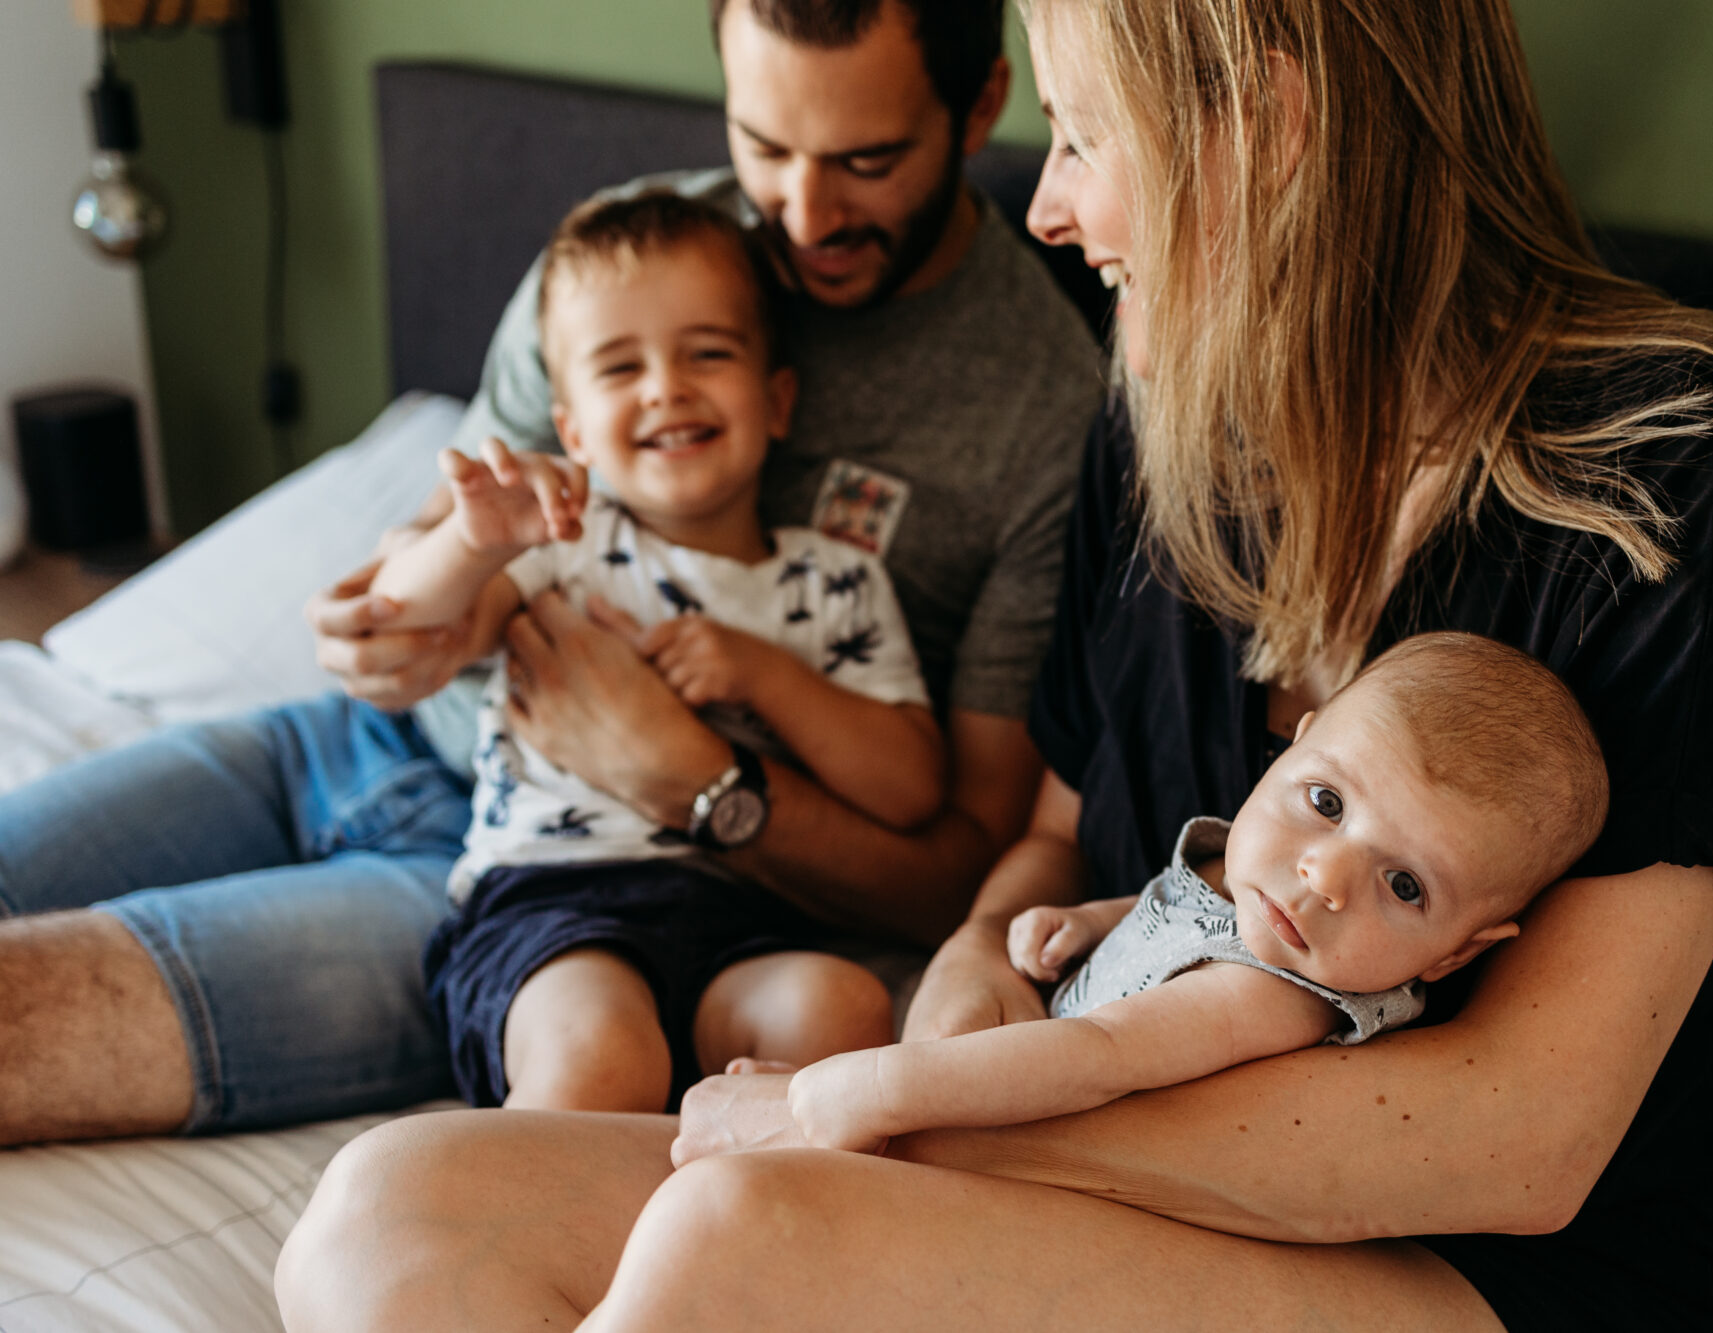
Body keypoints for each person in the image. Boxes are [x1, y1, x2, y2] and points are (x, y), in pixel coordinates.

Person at [276, 0, 1713, 1330]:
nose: (1049, 206)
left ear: (1273, 121)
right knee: (397, 1205)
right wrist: (969, 972)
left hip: (1489, 1279)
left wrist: (905, 1116)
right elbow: (1048, 832)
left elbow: (1516, 1140)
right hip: (1101, 1180)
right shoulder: (1161, 426)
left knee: (740, 1233)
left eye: (1088, 138)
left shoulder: (1691, 474)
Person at [0, 0, 1100, 1145]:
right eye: (764, 146)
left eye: (866, 161)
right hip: (352, 746)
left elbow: (958, 860)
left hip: (547, 885)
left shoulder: (1044, 416)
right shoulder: (619, 256)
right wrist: (395, 617)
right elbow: (456, 534)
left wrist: (699, 777)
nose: (802, 213)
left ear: (978, 107)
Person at [384, 191, 945, 1113]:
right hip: (553, 905)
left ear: (777, 401)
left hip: (747, 916)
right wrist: (470, 543)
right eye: (619, 367)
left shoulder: (835, 581)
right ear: (569, 430)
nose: (666, 388)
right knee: (604, 1055)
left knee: (841, 1006)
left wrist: (766, 674)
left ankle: (741, 1222)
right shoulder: (562, 537)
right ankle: (544, 1240)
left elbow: (910, 787)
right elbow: (422, 627)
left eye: (708, 354)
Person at [788, 632, 1608, 1154]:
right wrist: (1088, 920)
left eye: (1404, 884)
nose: (1324, 875)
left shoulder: (1279, 992)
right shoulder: (1252, 886)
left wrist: (882, 1086)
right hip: (1016, 1088)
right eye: (1326, 802)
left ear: (1461, 949)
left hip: (1062, 1167)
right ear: (1296, 741)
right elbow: (1177, 913)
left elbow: (1100, 1055)